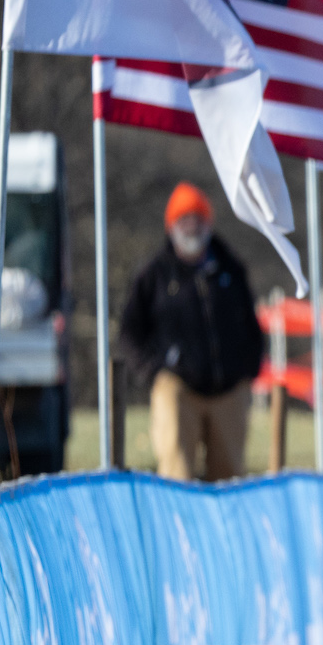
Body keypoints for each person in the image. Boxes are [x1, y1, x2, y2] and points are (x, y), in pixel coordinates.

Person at [118, 182, 262, 481]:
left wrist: (248, 368)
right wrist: (156, 369)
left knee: (229, 479)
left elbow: (252, 325)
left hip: (229, 391)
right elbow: (130, 332)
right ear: (171, 226)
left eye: (197, 218)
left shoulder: (230, 269)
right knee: (177, 474)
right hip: (179, 390)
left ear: (208, 222)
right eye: (183, 219)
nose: (191, 226)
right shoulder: (155, 274)